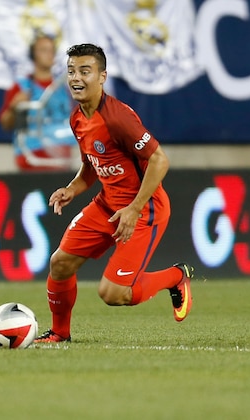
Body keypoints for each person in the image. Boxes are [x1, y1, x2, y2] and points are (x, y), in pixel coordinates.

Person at [34, 43, 194, 343]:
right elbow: (92, 167)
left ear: (102, 76)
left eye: (85, 71)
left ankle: (175, 277)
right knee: (60, 263)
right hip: (107, 205)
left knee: (114, 294)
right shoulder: (78, 118)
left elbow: (160, 160)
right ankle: (59, 334)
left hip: (144, 210)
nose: (76, 78)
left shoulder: (118, 118)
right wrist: (72, 188)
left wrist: (134, 208)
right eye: (71, 71)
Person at [0, 35, 76, 171]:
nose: (49, 55)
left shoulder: (66, 89)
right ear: (33, 55)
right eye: (44, 50)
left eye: (52, 50)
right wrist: (14, 107)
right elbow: (5, 124)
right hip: (32, 159)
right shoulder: (21, 87)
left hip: (61, 158)